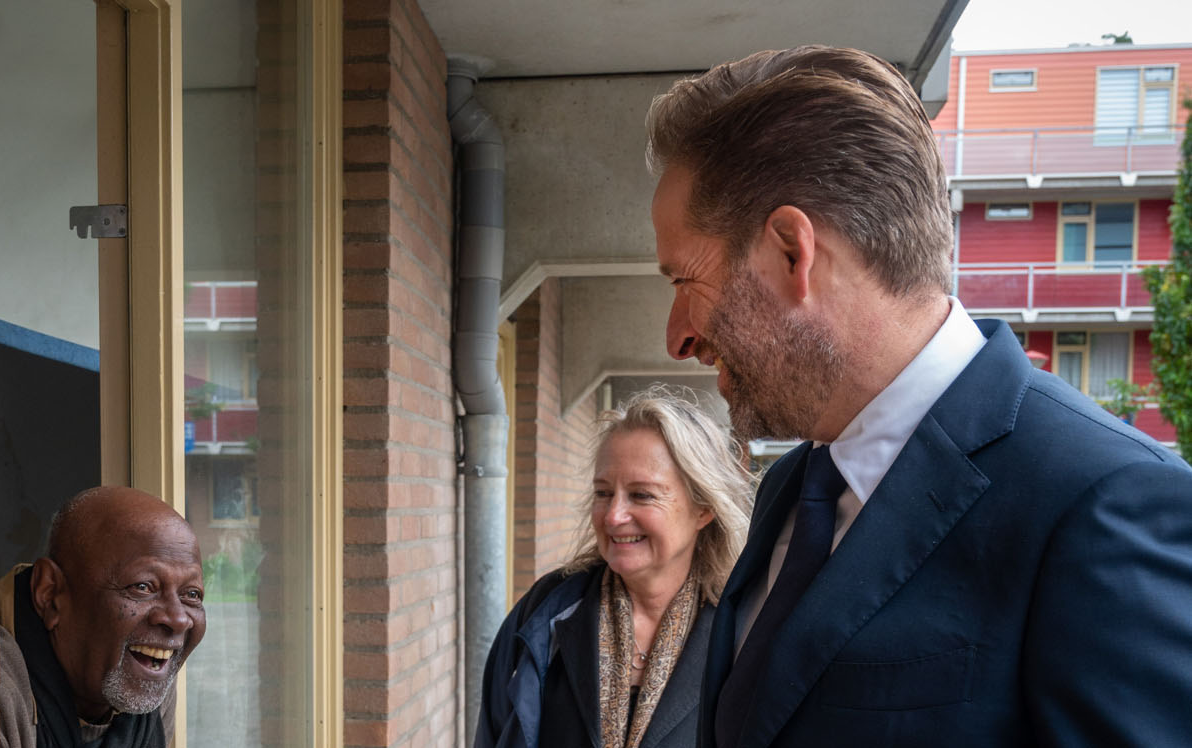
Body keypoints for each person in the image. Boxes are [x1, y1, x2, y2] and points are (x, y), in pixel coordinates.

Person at [646, 45, 1192, 747]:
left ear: (791, 252)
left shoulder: (1104, 502)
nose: (676, 338)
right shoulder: (793, 485)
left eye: (681, 280)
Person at [475, 388, 752, 748]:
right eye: (603, 493)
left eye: (642, 495)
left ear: (704, 509)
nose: (613, 516)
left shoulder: (742, 629)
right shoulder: (547, 612)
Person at [0, 486, 207, 748]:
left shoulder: (144, 678)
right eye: (142, 587)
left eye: (192, 594)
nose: (178, 619)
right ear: (50, 593)